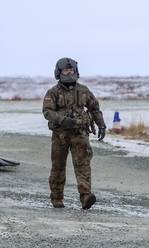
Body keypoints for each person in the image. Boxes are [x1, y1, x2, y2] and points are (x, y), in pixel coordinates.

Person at [42, 57, 106, 209]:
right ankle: (57, 198)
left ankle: (86, 196)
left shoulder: (84, 91)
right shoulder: (53, 92)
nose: (69, 73)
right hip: (60, 136)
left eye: (72, 70)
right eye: (66, 70)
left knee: (83, 166)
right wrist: (62, 120)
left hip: (80, 135)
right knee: (58, 167)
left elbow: (94, 108)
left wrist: (101, 124)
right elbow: (47, 111)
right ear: (59, 72)